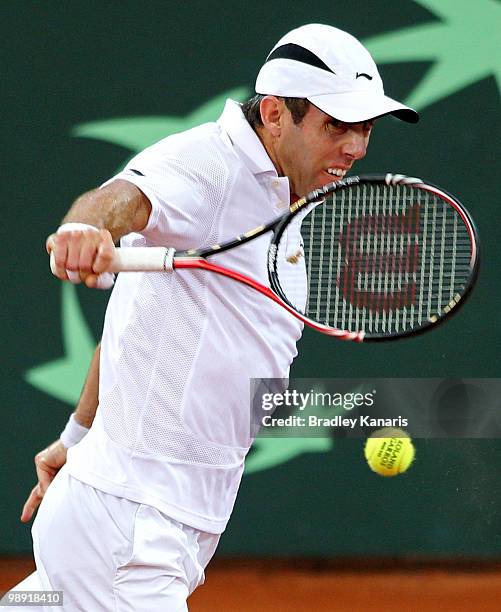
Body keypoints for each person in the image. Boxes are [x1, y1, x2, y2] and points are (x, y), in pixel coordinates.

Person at [13, 23, 418, 611]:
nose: (355, 146)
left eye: (366, 128)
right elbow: (121, 198)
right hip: (129, 532)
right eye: (337, 125)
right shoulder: (210, 165)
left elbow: (132, 324)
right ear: (276, 114)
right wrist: (86, 228)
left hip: (146, 519)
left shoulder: (288, 191)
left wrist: (76, 436)